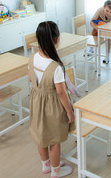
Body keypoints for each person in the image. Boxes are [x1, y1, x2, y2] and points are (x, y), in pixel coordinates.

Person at [28, 21, 74, 177]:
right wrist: (70, 112)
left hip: (36, 102)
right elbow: (61, 93)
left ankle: (46, 165)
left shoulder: (33, 57)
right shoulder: (56, 66)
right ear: (56, 39)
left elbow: (30, 78)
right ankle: (56, 171)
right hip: (53, 106)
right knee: (55, 139)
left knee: (41, 136)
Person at [90, 0, 111, 64]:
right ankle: (91, 48)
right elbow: (91, 21)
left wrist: (106, 32)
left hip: (109, 24)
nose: (108, 13)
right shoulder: (99, 10)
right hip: (99, 22)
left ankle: (107, 55)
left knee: (108, 38)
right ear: (103, 7)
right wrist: (97, 29)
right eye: (107, 11)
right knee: (94, 32)